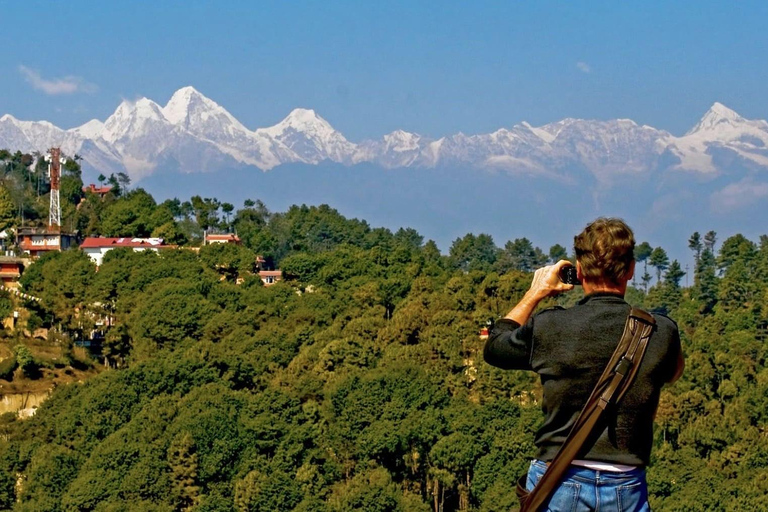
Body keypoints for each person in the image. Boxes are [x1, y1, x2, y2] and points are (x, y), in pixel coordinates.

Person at [484, 218, 684, 511]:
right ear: (630, 269)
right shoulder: (661, 332)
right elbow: (673, 373)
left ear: (578, 271)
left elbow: (495, 348)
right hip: (625, 484)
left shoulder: (551, 326)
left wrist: (536, 292)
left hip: (557, 479)